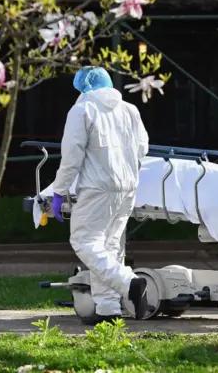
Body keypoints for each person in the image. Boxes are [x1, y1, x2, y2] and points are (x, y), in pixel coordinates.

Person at [51, 66, 150, 325]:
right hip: (128, 186)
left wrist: (59, 191)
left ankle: (130, 283)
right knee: (109, 247)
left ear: (84, 87)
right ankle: (108, 310)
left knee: (84, 241)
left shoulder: (82, 110)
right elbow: (143, 148)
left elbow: (72, 157)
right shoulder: (130, 109)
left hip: (97, 188)